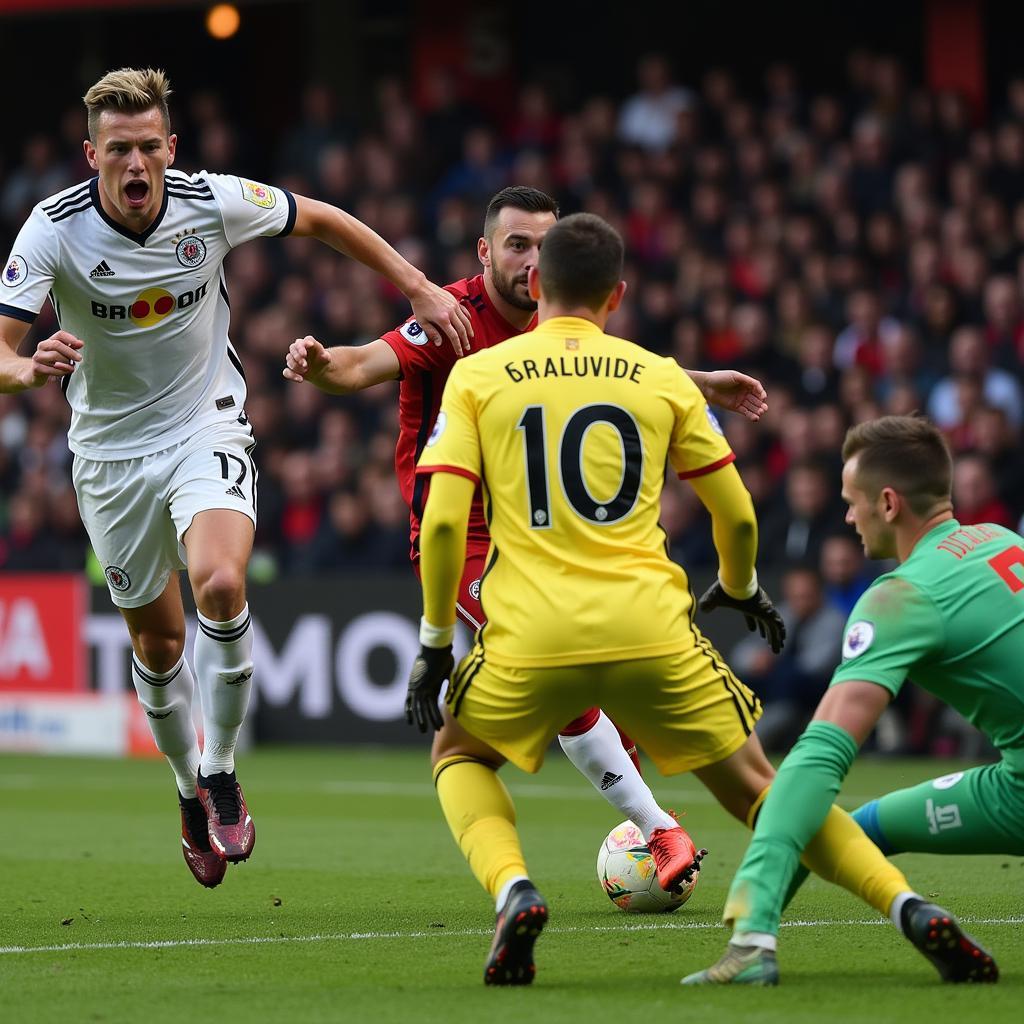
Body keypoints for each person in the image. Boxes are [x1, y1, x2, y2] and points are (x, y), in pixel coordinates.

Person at [405, 212, 920, 987]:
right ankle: (908, 907)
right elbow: (738, 512)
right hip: (650, 628)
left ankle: (514, 887)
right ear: (618, 293)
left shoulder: (480, 376)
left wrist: (436, 640)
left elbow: (443, 522)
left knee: (456, 753)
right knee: (761, 789)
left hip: (531, 634)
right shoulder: (659, 375)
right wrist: (741, 586)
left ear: (536, 283)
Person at [0, 68, 472, 890]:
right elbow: (0, 354)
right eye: (120, 151)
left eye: (150, 146)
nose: (137, 164)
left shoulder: (209, 200)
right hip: (108, 455)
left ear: (171, 148)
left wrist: (420, 287)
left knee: (220, 583)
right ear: (92, 156)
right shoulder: (53, 229)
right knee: (158, 643)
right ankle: (186, 791)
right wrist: (26, 367)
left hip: (202, 423)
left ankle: (219, 768)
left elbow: (321, 218)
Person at [284, 185, 769, 891]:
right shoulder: (451, 317)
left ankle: (625, 812)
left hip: (544, 531)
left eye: (543, 246)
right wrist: (322, 365)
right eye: (516, 244)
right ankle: (660, 828)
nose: (531, 260)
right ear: (485, 252)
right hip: (462, 535)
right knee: (564, 674)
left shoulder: (558, 319)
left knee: (539, 697)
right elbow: (361, 365)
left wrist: (700, 386)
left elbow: (618, 374)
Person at [688, 415, 1009, 986]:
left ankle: (751, 935)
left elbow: (821, 753)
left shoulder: (902, 597)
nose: (846, 516)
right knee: (863, 828)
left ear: (888, 503)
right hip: (1014, 781)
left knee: (819, 797)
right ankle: (893, 911)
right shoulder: (1002, 542)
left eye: (850, 500)